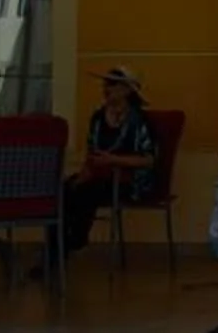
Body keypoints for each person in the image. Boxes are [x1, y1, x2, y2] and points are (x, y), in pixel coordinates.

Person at [63, 67, 161, 255]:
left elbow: (149, 160)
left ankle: (75, 239)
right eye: (105, 84)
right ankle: (55, 251)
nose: (106, 89)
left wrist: (113, 160)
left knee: (86, 192)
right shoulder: (98, 118)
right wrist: (84, 173)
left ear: (126, 90)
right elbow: (91, 154)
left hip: (131, 182)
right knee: (65, 190)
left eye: (112, 84)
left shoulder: (140, 121)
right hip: (99, 176)